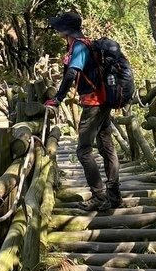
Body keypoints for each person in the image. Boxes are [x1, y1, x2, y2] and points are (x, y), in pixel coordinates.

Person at [44, 11, 121, 212]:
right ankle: (114, 195)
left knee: (83, 150)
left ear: (65, 30)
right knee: (106, 147)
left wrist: (58, 98)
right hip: (105, 100)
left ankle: (98, 196)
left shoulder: (78, 47)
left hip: (94, 103)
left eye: (58, 27)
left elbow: (72, 73)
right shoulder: (88, 43)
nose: (56, 30)